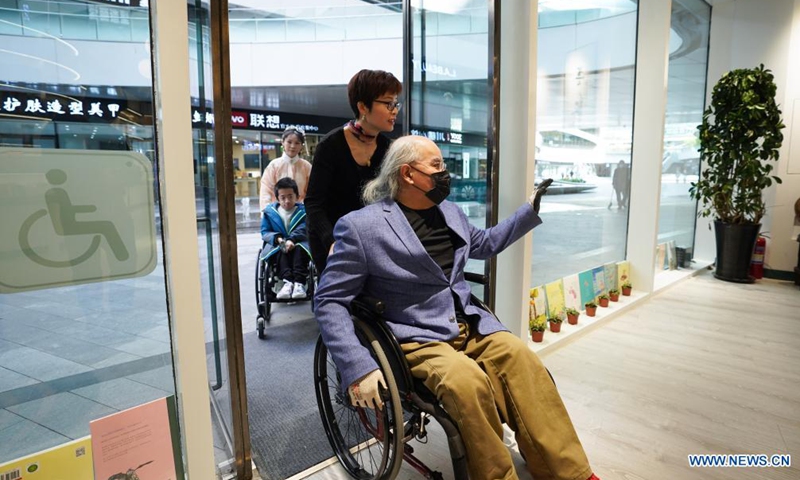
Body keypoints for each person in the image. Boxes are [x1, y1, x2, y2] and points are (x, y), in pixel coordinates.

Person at [315, 135, 600, 480]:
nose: (445, 173)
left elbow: (485, 243)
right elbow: (330, 300)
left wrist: (528, 211)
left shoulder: (449, 212)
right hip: (416, 337)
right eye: (436, 166)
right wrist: (357, 366)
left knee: (522, 360)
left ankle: (569, 471)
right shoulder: (362, 227)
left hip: (469, 323)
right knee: (468, 384)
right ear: (407, 173)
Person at [305, 69, 401, 273]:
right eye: (388, 103)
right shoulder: (330, 146)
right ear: (363, 106)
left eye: (396, 103)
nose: (394, 110)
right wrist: (331, 242)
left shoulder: (387, 148)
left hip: (371, 240)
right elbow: (314, 203)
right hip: (333, 240)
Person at [260, 177, 310, 299]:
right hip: (278, 243)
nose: (287, 201)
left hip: (299, 242)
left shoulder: (304, 212)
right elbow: (265, 232)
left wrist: (292, 239)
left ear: (297, 196)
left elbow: (305, 228)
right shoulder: (270, 212)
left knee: (300, 250)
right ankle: (287, 282)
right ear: (277, 198)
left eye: (290, 196)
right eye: (283, 197)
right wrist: (278, 239)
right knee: (280, 251)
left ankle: (299, 283)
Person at [259, 127, 312, 211]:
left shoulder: (306, 166)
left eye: (297, 143)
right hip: (277, 212)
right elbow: (266, 190)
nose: (293, 146)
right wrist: (267, 212)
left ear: (301, 145)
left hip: (301, 213)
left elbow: (311, 191)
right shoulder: (274, 165)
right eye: (289, 142)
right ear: (282, 142)